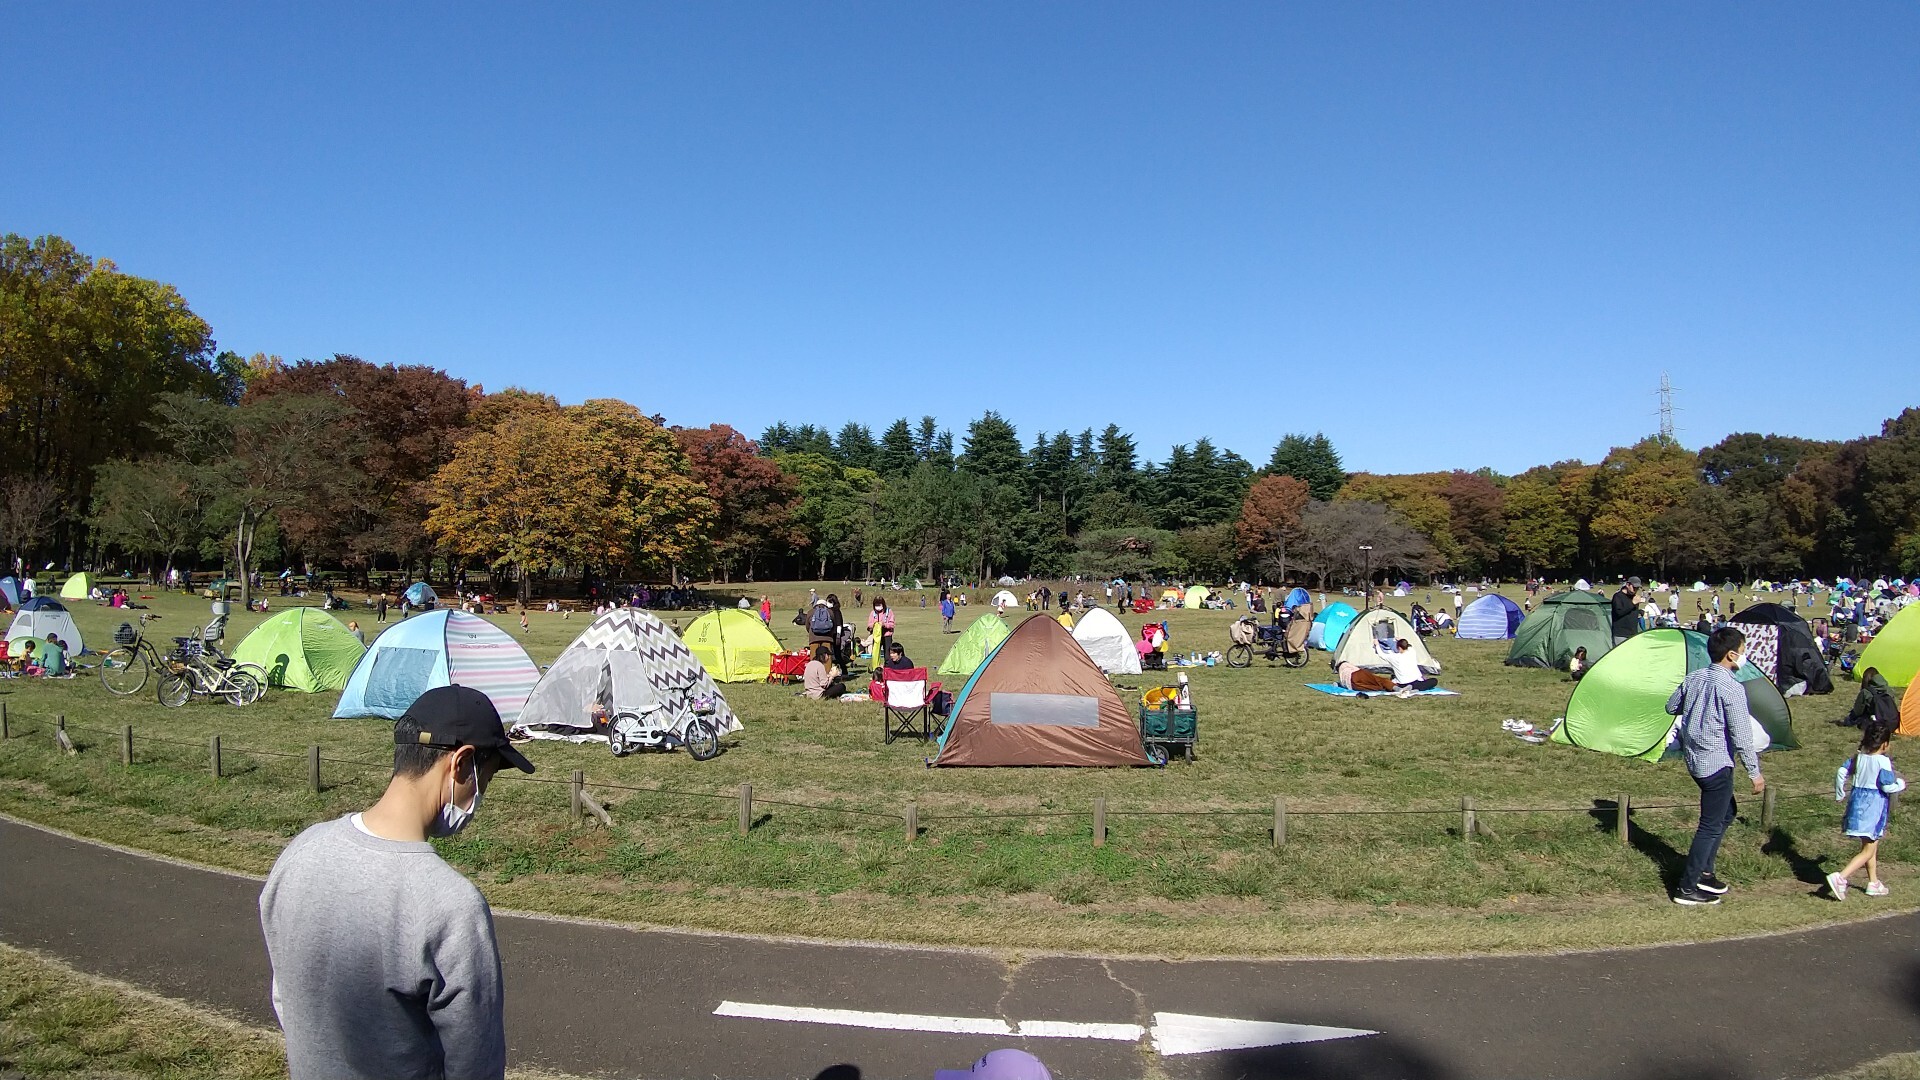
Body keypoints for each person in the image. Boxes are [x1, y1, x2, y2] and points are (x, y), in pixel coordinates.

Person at [259, 685, 534, 1080]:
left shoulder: (300, 852)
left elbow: (286, 996)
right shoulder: (451, 906)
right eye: (484, 779)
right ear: (461, 763)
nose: (480, 796)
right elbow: (475, 1063)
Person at [1665, 626, 1764, 906]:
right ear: (1732, 655)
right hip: (1716, 764)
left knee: (1727, 812)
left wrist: (1696, 706)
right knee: (1709, 826)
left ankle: (1705, 873)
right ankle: (1687, 887)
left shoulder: (1694, 677)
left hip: (1695, 760)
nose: (1745, 656)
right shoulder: (1732, 688)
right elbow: (1742, 735)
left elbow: (1671, 707)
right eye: (1744, 651)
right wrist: (1754, 773)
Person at [1828, 718, 1905, 901]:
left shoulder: (1859, 757)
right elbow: (1887, 786)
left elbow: (1841, 772)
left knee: (1870, 844)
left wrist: (1840, 793)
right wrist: (1900, 785)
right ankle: (1841, 877)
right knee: (1869, 849)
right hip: (1874, 805)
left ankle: (1873, 883)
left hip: (1856, 801)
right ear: (1885, 744)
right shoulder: (1883, 762)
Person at [1611, 577, 1642, 644]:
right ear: (1628, 585)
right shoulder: (1618, 597)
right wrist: (1632, 603)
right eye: (1634, 587)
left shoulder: (1634, 597)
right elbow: (1619, 612)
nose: (1635, 590)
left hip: (1633, 633)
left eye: (1637, 588)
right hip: (1621, 634)